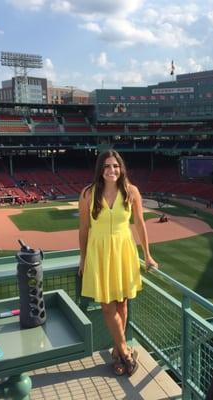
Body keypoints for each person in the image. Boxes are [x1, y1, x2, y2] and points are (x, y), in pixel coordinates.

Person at [78, 150, 158, 377]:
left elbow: (140, 224)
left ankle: (117, 353)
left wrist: (148, 255)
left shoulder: (131, 191)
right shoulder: (87, 194)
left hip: (124, 251)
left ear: (121, 168)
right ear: (99, 170)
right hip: (100, 252)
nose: (111, 170)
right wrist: (83, 258)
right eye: (106, 166)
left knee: (122, 303)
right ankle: (125, 350)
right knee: (106, 305)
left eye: (115, 166)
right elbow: (83, 230)